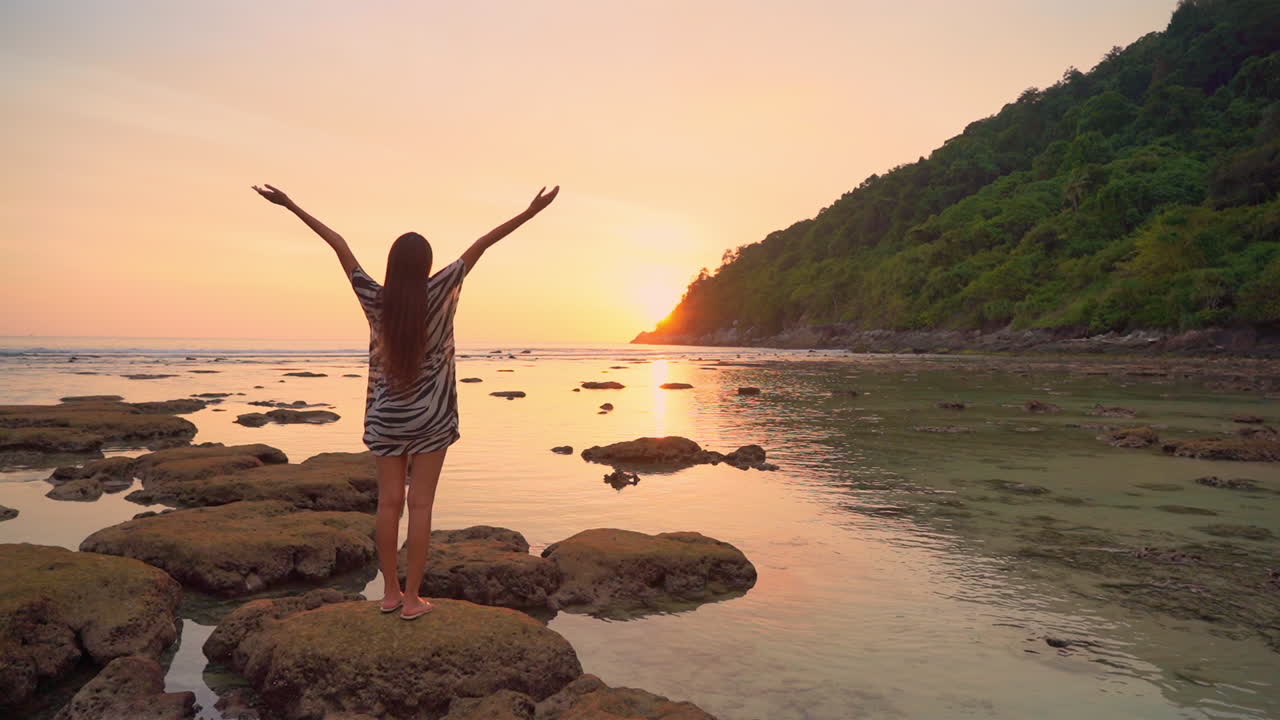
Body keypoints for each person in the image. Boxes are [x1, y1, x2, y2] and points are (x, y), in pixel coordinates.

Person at [252, 182, 559, 619]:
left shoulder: (376, 298)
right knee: (421, 506)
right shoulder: (442, 288)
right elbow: (484, 243)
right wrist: (531, 211)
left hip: (386, 416)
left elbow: (337, 243)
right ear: (428, 265)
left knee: (388, 504)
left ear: (392, 265)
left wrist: (290, 204)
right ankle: (413, 599)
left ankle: (389, 594)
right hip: (432, 416)